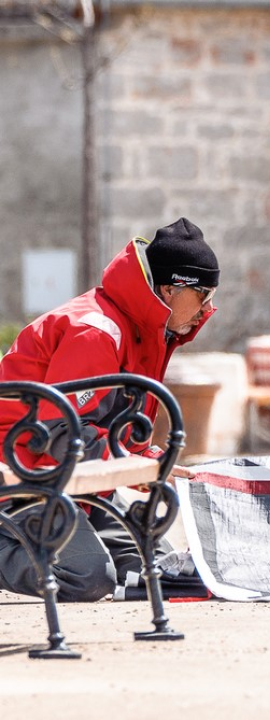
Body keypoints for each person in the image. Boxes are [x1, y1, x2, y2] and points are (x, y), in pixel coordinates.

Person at [0, 217, 219, 601]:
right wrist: (137, 467)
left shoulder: (144, 331)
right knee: (88, 578)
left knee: (158, 572)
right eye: (204, 293)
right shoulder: (98, 330)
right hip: (23, 476)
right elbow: (59, 433)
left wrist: (154, 461)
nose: (208, 307)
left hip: (71, 479)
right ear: (169, 290)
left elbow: (116, 431)